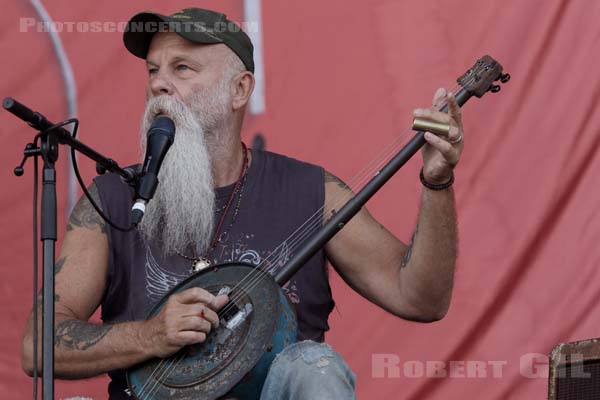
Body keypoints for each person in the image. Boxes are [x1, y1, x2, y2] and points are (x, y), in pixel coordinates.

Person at [21, 7, 464, 400]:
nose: (160, 83)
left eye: (182, 68)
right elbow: (37, 345)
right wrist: (150, 335)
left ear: (239, 89)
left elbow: (420, 298)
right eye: (153, 70)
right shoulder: (113, 199)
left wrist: (436, 181)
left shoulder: (311, 191)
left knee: (312, 367)